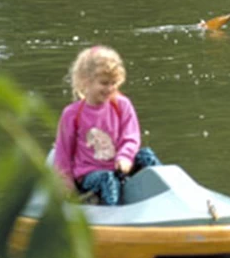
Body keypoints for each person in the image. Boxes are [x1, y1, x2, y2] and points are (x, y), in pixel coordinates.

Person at [53, 46, 161, 206]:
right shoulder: (72, 114)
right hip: (90, 173)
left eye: (113, 83)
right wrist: (65, 185)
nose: (109, 89)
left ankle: (166, 203)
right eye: (104, 83)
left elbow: (131, 137)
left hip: (120, 166)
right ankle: (115, 218)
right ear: (86, 81)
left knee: (147, 156)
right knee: (107, 179)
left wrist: (125, 157)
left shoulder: (122, 105)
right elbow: (63, 153)